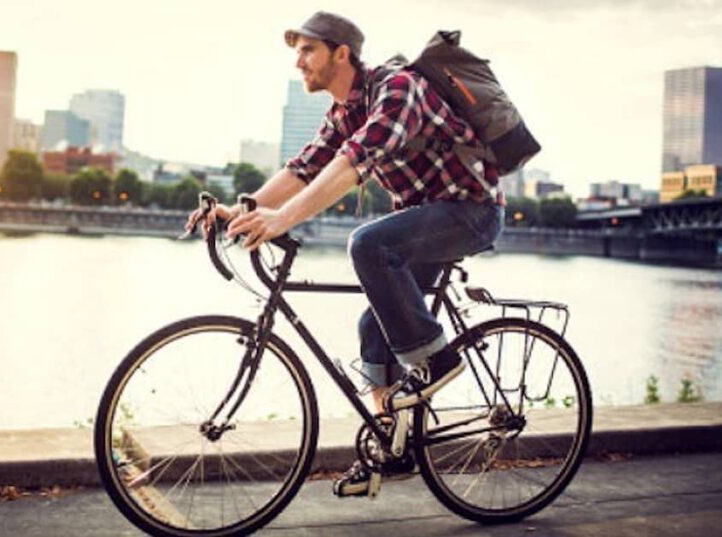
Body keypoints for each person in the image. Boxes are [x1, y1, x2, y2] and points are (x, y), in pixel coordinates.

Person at [185, 11, 505, 497]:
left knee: (368, 243)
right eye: (297, 52)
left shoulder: (398, 88)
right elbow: (305, 168)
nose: (298, 62)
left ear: (341, 53)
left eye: (308, 50)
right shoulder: (342, 112)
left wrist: (283, 220)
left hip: (471, 212)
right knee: (373, 328)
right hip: (427, 221)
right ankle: (397, 451)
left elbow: (354, 162)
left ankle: (439, 362)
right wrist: (241, 210)